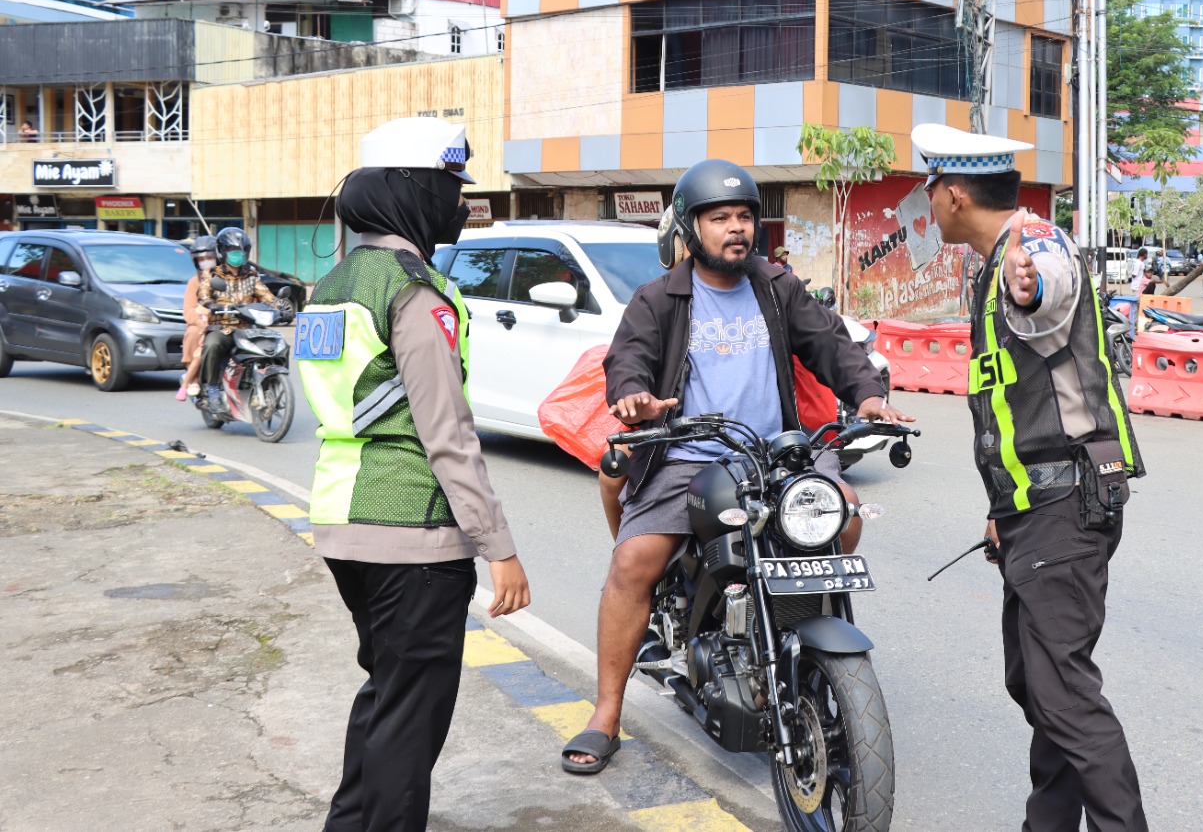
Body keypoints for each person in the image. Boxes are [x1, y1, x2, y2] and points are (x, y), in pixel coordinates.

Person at [563, 158, 913, 774]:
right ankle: (606, 712)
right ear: (690, 228)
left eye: (745, 216)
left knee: (846, 518)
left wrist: (868, 397)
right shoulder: (659, 298)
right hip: (689, 455)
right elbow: (629, 359)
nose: (736, 228)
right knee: (633, 561)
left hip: (776, 453)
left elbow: (831, 344)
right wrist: (634, 396)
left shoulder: (777, 287)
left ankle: (801, 640)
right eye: (719, 217)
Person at [911, 122, 1148, 832]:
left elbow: (1046, 285)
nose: (928, 201)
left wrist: (1031, 286)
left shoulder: (1033, 245)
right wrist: (1000, 509)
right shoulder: (992, 264)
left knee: (1063, 694)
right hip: (1032, 505)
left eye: (930, 188)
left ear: (954, 194)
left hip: (1064, 504)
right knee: (1040, 685)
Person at [299, 116, 530, 832]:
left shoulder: (331, 284)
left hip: (342, 521)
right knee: (409, 724)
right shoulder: (414, 291)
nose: (460, 202)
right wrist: (499, 548)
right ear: (411, 192)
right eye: (449, 187)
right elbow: (449, 435)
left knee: (387, 700)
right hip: (414, 534)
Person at [197, 227, 283, 409]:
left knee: (279, 344)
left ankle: (274, 382)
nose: (239, 254)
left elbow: (266, 296)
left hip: (249, 329)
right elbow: (204, 296)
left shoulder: (251, 275)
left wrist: (281, 308)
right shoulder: (212, 274)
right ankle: (211, 390)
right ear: (222, 252)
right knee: (212, 344)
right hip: (223, 328)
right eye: (234, 251)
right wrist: (212, 305)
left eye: (242, 251)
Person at [175, 235, 217, 401]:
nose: (206, 262)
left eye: (209, 257)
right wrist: (199, 322)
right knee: (192, 333)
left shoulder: (228, 277)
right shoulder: (195, 282)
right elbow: (189, 309)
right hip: (203, 324)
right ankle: (193, 378)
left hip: (227, 321)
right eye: (202, 259)